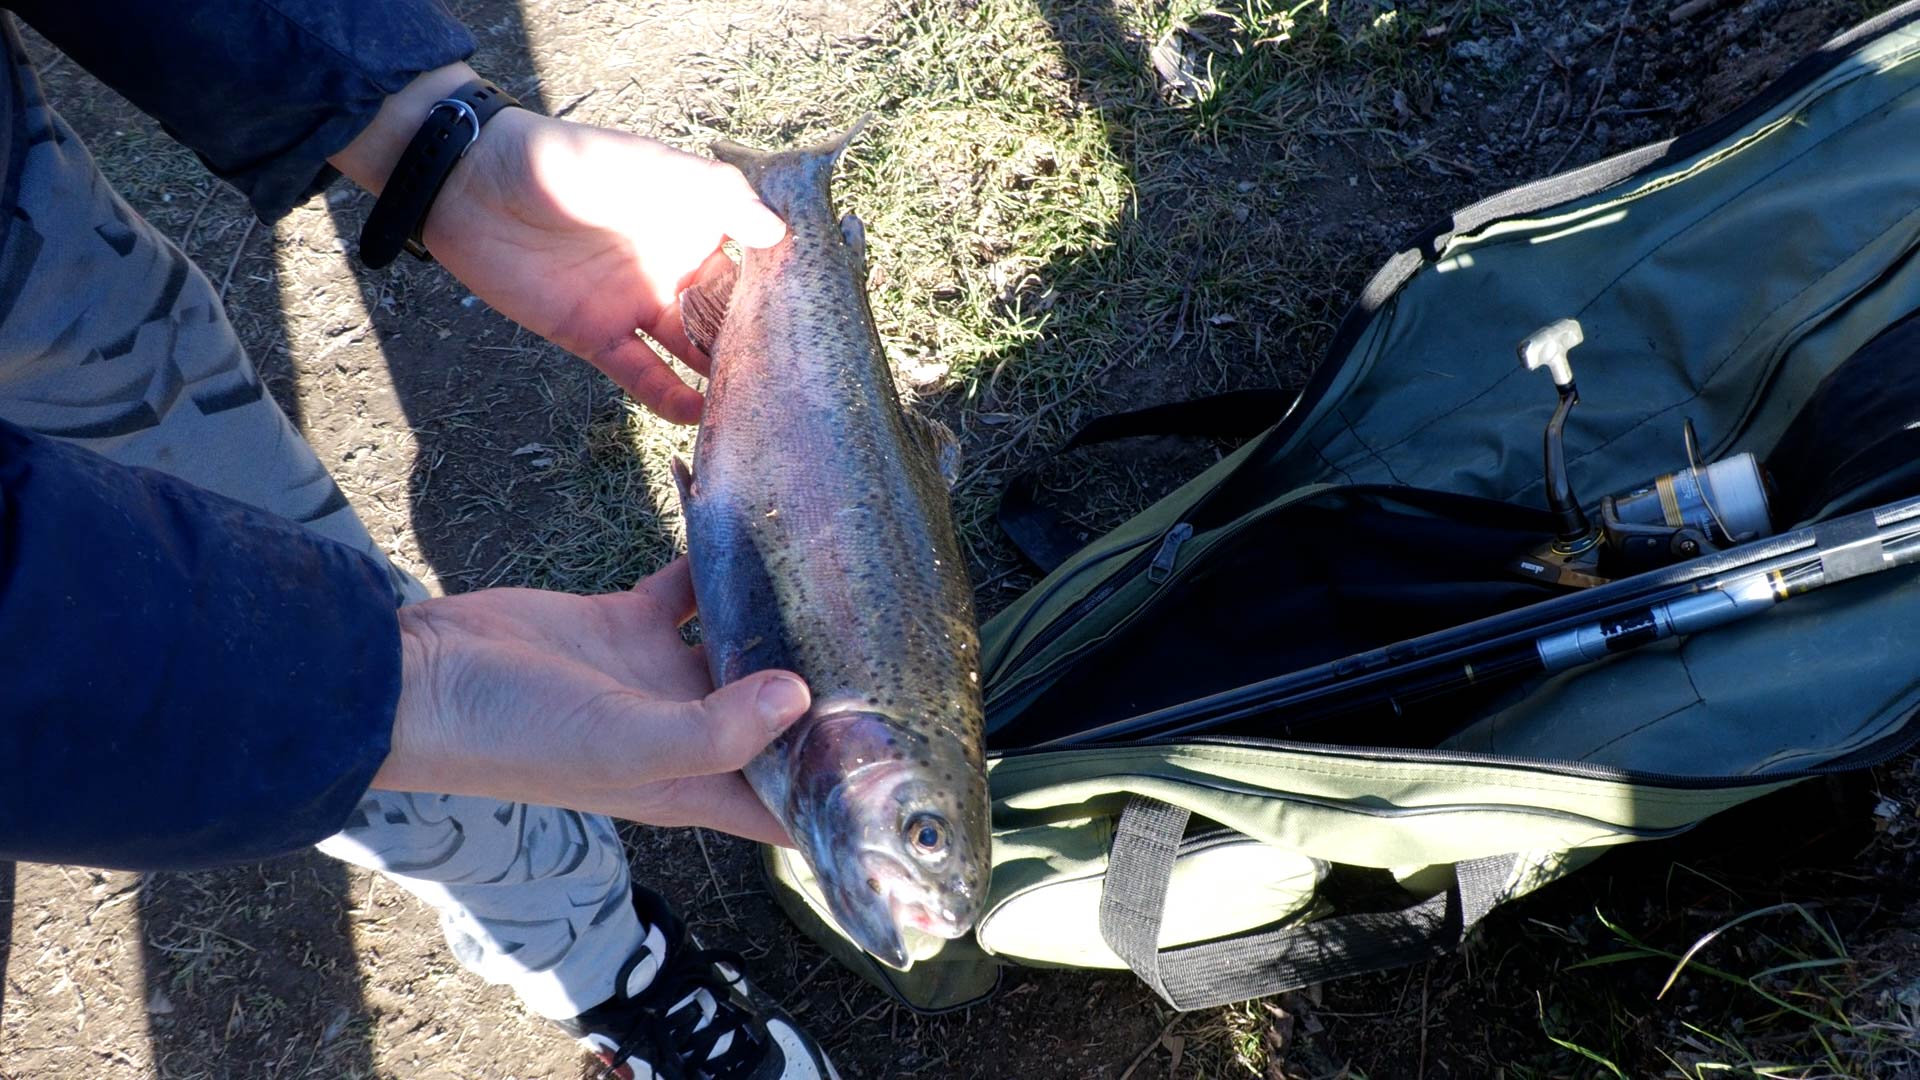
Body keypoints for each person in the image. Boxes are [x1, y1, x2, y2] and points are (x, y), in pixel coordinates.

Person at [0, 3, 842, 1078]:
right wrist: (389, 686)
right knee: (386, 693)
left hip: (23, 245)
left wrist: (425, 135)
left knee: (338, 630)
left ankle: (611, 964)